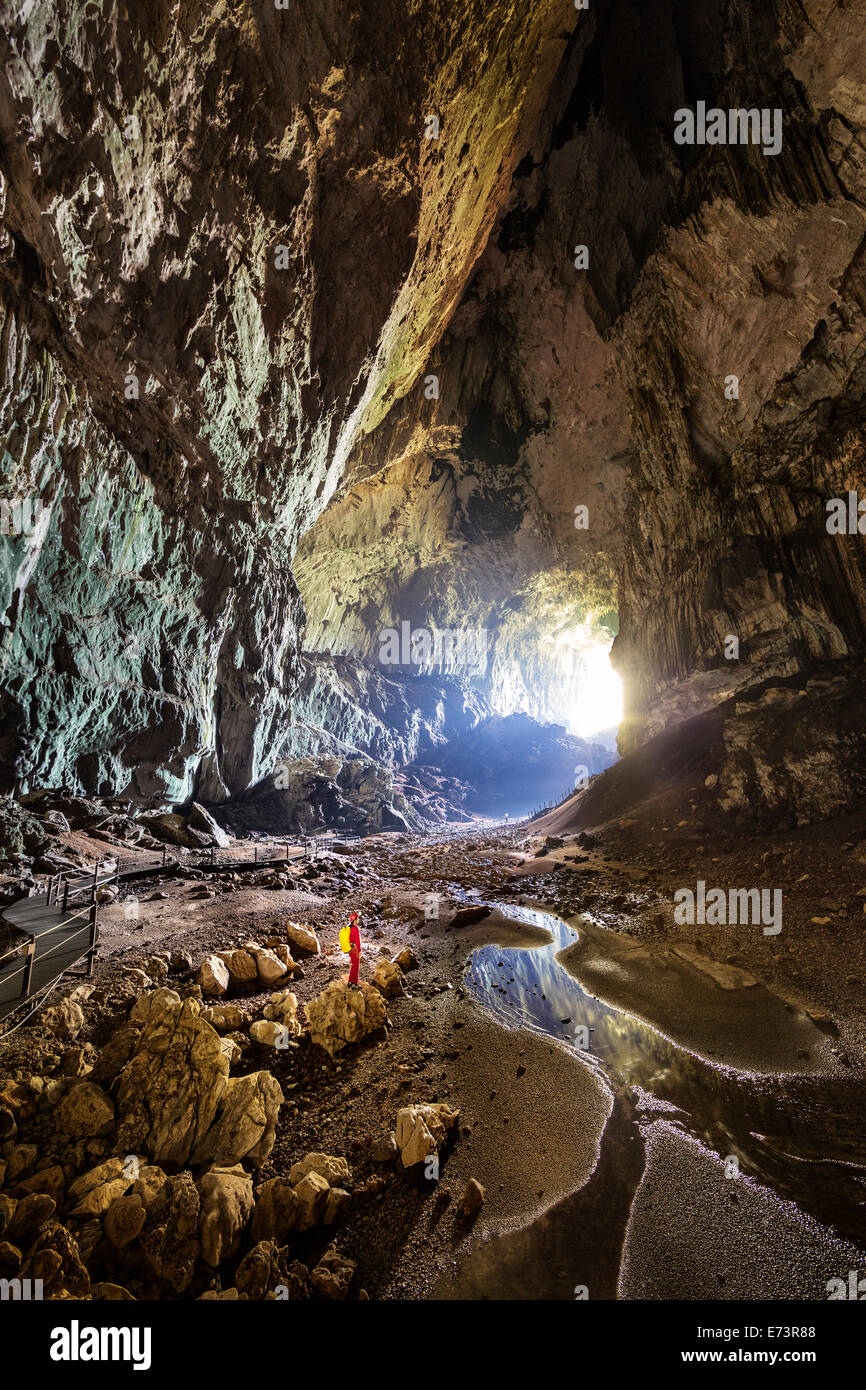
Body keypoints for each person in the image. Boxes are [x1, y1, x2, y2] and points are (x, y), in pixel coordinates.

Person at [348, 911, 362, 988]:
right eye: (358, 918)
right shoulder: (355, 928)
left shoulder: (349, 928)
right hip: (355, 949)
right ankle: (354, 983)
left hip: (351, 948)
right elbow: (357, 941)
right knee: (356, 966)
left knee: (353, 965)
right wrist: (359, 950)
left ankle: (350, 981)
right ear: (355, 920)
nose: (358, 919)